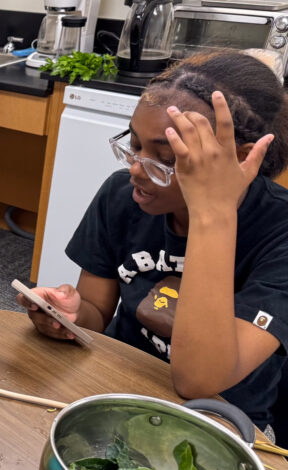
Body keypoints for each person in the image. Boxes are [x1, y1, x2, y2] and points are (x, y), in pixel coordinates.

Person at [18, 52, 288, 442]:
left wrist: (214, 209)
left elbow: (198, 381)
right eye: (134, 143)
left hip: (224, 425)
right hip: (122, 387)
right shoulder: (121, 196)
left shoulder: (277, 233)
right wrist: (70, 316)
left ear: (240, 161)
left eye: (165, 158)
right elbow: (96, 311)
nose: (136, 167)